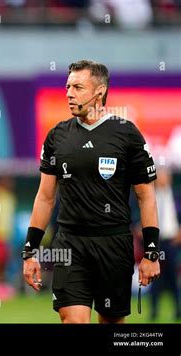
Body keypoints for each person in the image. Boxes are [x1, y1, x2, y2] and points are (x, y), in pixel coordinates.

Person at [22, 60, 160, 324]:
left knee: (110, 322)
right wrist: (30, 251)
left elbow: (146, 197)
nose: (69, 93)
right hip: (70, 245)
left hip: (114, 244)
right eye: (67, 86)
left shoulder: (127, 134)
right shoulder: (57, 136)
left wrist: (151, 253)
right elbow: (45, 197)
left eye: (77, 87)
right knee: (74, 321)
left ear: (99, 92)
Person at [150, 167, 181, 321]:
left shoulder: (176, 194)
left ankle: (178, 310)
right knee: (154, 279)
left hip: (171, 242)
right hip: (155, 243)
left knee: (174, 278)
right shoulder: (149, 196)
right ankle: (153, 311)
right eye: (159, 177)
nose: (162, 180)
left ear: (168, 179)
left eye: (164, 177)